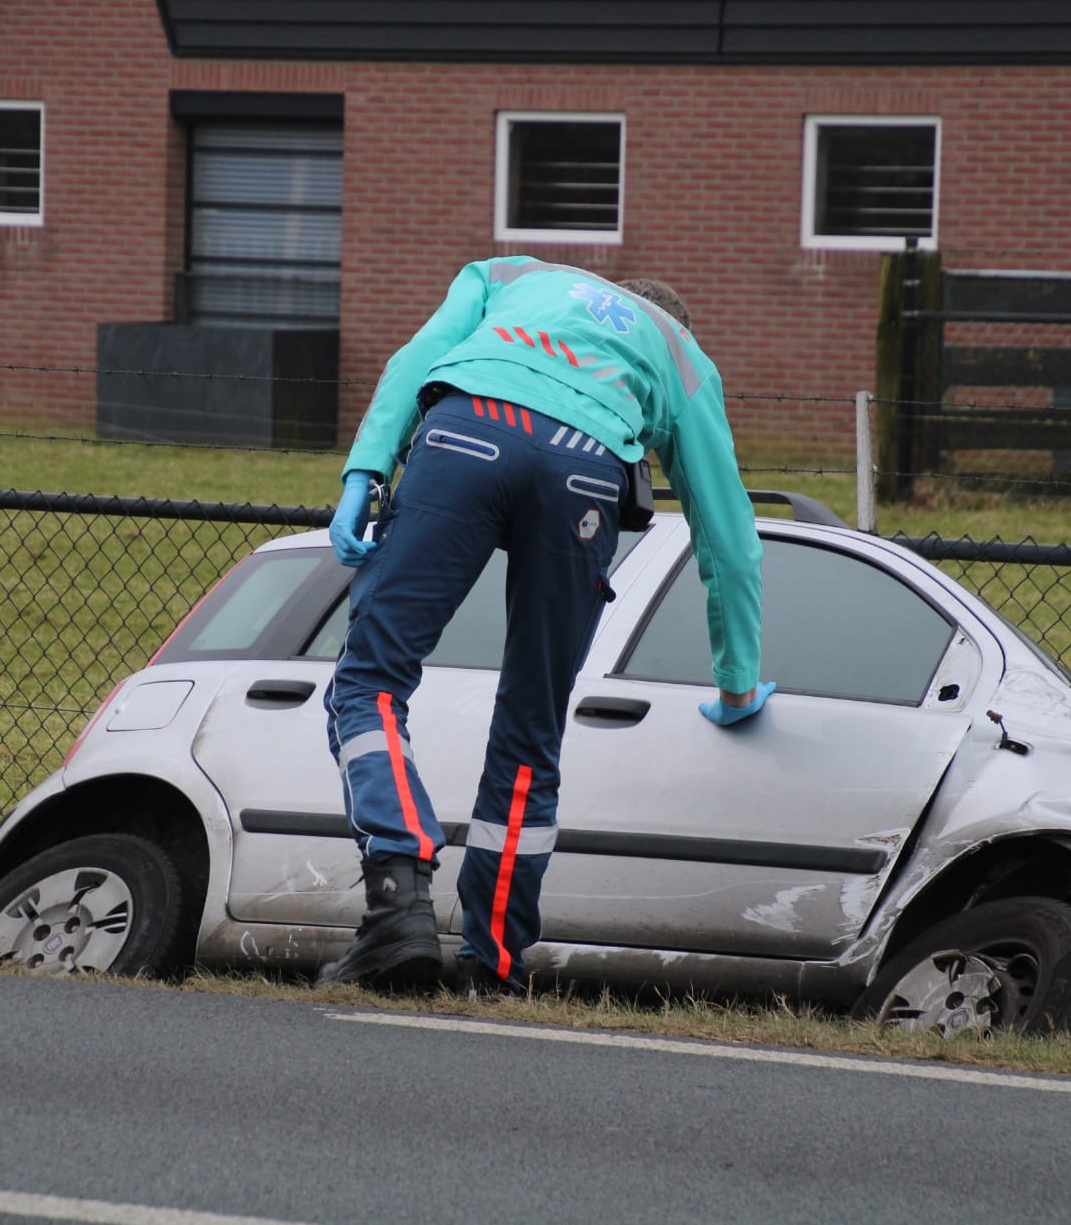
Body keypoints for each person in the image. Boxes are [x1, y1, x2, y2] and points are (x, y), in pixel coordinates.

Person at [317, 257, 774, 996]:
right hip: (587, 471)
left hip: (466, 433)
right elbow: (729, 537)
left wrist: (363, 473)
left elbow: (414, 359)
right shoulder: (679, 352)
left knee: (369, 682)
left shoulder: (504, 274)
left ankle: (397, 901)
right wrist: (737, 683)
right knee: (531, 730)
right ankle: (494, 964)